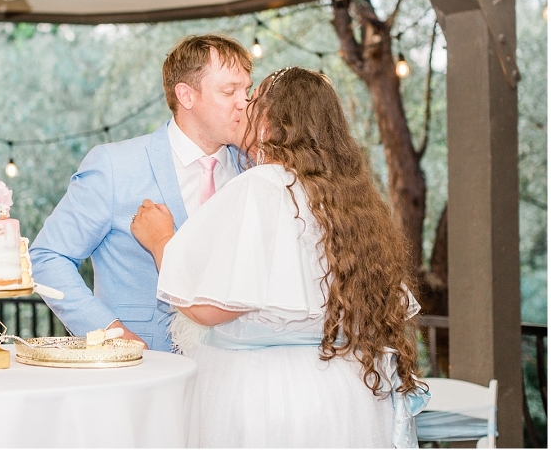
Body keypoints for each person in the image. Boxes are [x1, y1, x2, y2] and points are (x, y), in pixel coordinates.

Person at [131, 66, 429, 447]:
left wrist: (161, 241)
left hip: (268, 395)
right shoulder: (350, 199)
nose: (243, 107)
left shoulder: (262, 186)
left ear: (270, 122)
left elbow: (210, 308)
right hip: (343, 389)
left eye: (252, 101)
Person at [29, 34, 253, 351]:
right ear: (186, 96)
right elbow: (47, 258)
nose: (245, 103)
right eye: (230, 91)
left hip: (237, 370)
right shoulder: (114, 166)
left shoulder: (255, 170)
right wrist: (108, 332)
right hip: (147, 369)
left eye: (247, 90)